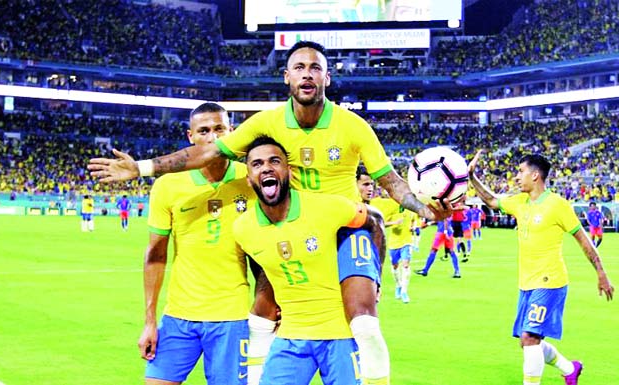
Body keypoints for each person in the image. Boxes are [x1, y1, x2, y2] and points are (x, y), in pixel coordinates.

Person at [89, 40, 453, 384]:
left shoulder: (353, 126)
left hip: (343, 229)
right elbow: (208, 152)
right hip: (286, 229)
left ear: (327, 77)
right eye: (299, 67)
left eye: (315, 68)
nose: (307, 73)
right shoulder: (267, 123)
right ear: (287, 77)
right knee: (262, 313)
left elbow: (389, 180)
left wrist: (424, 209)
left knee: (362, 321)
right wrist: (142, 167)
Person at [233, 136, 384, 385]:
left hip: (341, 336)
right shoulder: (243, 229)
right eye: (257, 164)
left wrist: (373, 276)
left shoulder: (327, 208)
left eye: (275, 161)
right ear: (249, 179)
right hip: (290, 338)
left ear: (289, 172)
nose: (267, 168)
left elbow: (375, 221)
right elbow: (262, 269)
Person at [468, 151, 615, 385]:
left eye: (521, 172)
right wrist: (471, 177)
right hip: (526, 283)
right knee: (527, 341)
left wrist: (601, 272)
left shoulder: (557, 205)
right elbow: (491, 200)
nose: (516, 177)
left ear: (535, 175)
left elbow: (583, 239)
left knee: (529, 338)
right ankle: (570, 369)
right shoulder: (519, 202)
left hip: (550, 281)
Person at [138, 103, 255, 385]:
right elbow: (155, 256)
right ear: (191, 136)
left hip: (232, 316)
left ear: (232, 132)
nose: (212, 137)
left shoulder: (249, 179)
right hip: (179, 315)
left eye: (219, 129)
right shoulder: (168, 185)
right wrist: (150, 321)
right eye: (203, 131)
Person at [371, 192, 415, 303]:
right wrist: (394, 222)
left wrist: (413, 227)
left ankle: (404, 291)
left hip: (407, 241)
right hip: (394, 242)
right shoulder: (393, 210)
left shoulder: (410, 211)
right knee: (395, 266)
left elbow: (414, 221)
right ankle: (398, 285)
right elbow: (382, 223)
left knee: (405, 264)